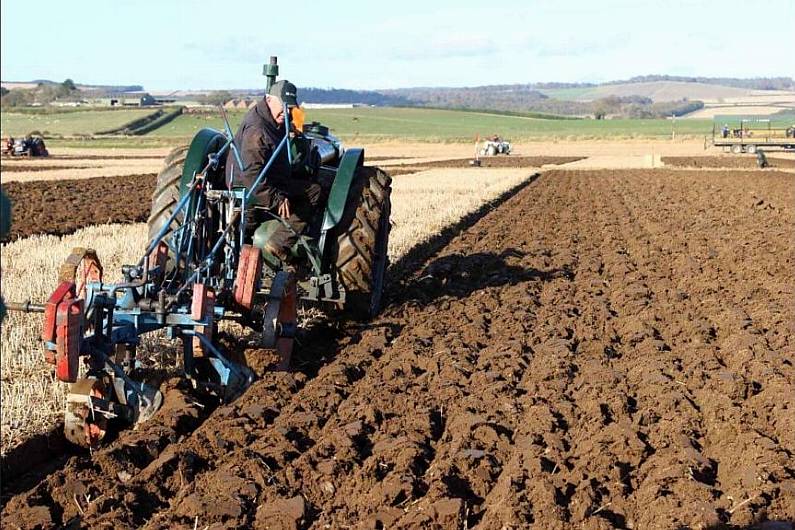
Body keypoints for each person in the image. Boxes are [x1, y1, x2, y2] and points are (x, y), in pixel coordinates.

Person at [225, 80, 322, 262]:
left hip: (258, 183)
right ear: (269, 100)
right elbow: (252, 174)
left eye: (290, 109)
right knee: (314, 191)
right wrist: (276, 198)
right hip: (254, 185)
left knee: (246, 226)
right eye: (284, 107)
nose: (286, 113)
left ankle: (243, 250)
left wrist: (292, 128)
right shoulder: (258, 130)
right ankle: (280, 242)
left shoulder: (268, 118)